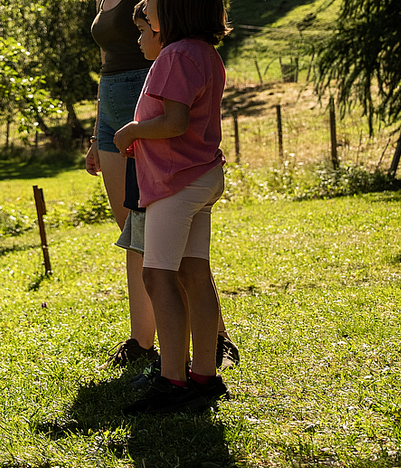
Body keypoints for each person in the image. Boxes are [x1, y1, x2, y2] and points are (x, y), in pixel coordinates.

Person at [113, 0, 232, 414]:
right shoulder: (205, 53)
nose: (145, 7)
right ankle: (204, 377)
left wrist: (131, 131)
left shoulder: (176, 55)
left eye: (154, 5)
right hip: (199, 176)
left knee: (158, 277)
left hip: (174, 184)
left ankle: (172, 381)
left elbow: (174, 121)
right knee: (194, 273)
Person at [86, 0, 161, 370]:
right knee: (132, 232)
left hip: (141, 99)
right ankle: (142, 341)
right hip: (110, 108)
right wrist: (95, 134)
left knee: (160, 229)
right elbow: (105, 62)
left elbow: (166, 42)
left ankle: (216, 337)